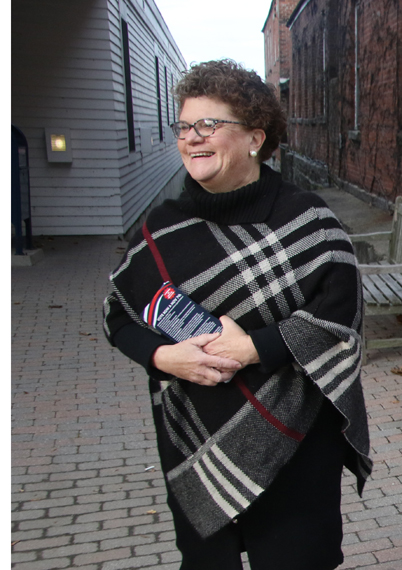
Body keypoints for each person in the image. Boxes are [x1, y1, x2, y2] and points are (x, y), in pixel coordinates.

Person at [103, 60, 371, 569]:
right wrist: (163, 357)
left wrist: (255, 346)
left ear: (254, 136)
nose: (192, 138)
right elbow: (117, 316)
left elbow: (343, 316)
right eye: (184, 127)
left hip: (294, 433)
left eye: (209, 124)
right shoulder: (160, 229)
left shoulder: (307, 218)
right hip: (199, 437)